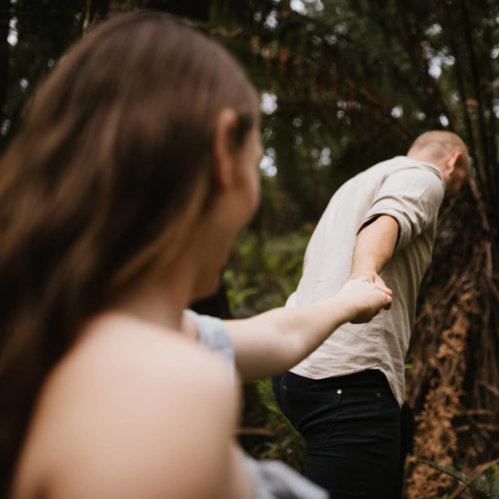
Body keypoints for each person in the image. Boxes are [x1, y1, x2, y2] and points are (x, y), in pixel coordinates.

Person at [0, 13, 393, 498]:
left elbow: (278, 334)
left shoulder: (80, 328)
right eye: (255, 156)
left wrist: (350, 298)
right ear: (222, 153)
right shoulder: (169, 390)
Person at [273, 131, 470, 498]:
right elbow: (386, 221)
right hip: (350, 380)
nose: (454, 195)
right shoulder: (426, 176)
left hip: (299, 370)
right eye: (461, 184)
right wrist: (363, 278)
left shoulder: (357, 183)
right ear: (454, 162)